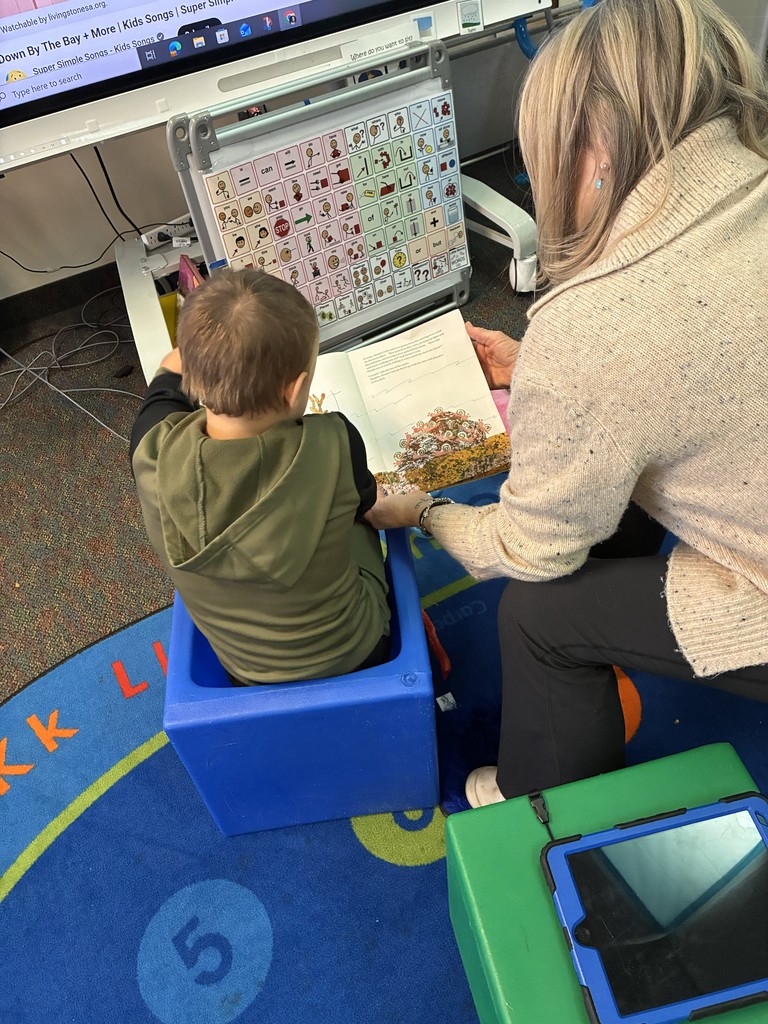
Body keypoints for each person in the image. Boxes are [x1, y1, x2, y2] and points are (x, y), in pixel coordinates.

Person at [366, 0, 768, 806]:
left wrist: (427, 513)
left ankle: (537, 799)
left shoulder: (593, 323)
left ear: (592, 153)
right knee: (611, 502)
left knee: (535, 616)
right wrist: (538, 371)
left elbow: (527, 550)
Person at [130, 268, 390, 684]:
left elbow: (166, 378)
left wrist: (206, 338)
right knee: (363, 522)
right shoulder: (336, 444)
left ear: (194, 377)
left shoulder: (150, 451)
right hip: (358, 650)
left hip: (246, 671)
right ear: (296, 388)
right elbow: (366, 503)